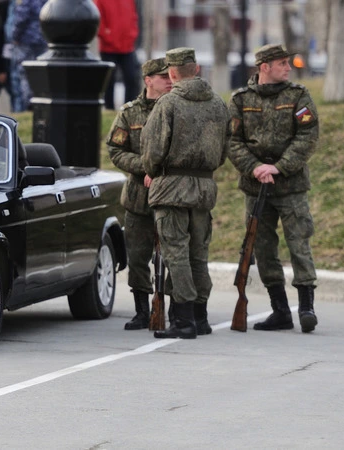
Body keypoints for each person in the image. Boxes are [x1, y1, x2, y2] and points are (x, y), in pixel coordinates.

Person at [228, 44, 320, 333]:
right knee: (264, 248)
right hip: (256, 187)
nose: (288, 67)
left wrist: (279, 167)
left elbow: (308, 135)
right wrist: (255, 167)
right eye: (282, 63)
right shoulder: (241, 99)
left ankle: (306, 306)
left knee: (299, 243)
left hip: (290, 184)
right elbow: (232, 140)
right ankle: (279, 309)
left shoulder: (297, 95)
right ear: (264, 67)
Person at [140, 47, 230, 339]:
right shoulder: (218, 104)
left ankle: (184, 320)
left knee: (175, 252)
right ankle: (200, 318)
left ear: (174, 73)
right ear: (197, 69)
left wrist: (153, 170)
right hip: (204, 187)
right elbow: (224, 150)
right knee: (198, 254)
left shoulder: (168, 104)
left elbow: (152, 151)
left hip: (171, 188)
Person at [106, 57, 172, 330]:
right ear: (148, 80)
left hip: (170, 194)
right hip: (138, 197)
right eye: (163, 77)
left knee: (172, 255)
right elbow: (116, 150)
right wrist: (143, 168)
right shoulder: (129, 113)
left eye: (171, 76)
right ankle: (142, 310)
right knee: (137, 256)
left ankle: (174, 307)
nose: (170, 80)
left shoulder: (176, 108)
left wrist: (161, 172)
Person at [93, 0, 141, 110]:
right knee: (109, 80)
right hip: (108, 47)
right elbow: (98, 20)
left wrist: (132, 34)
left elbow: (134, 17)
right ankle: (109, 108)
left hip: (127, 46)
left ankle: (129, 108)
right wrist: (107, 36)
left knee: (132, 76)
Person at [10, 0, 48, 111]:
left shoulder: (27, 1)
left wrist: (15, 37)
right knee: (41, 74)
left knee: (25, 74)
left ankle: (29, 104)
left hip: (25, 42)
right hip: (42, 41)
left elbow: (21, 19)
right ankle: (40, 103)